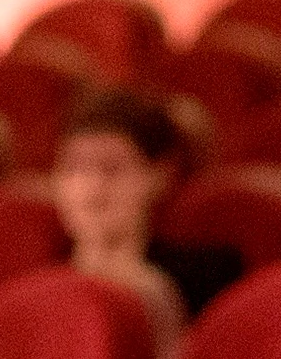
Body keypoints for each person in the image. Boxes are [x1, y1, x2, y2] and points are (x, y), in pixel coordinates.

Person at [50, 86, 238, 323]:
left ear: (160, 174)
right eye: (74, 168)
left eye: (112, 168)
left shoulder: (206, 277)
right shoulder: (36, 283)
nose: (92, 186)